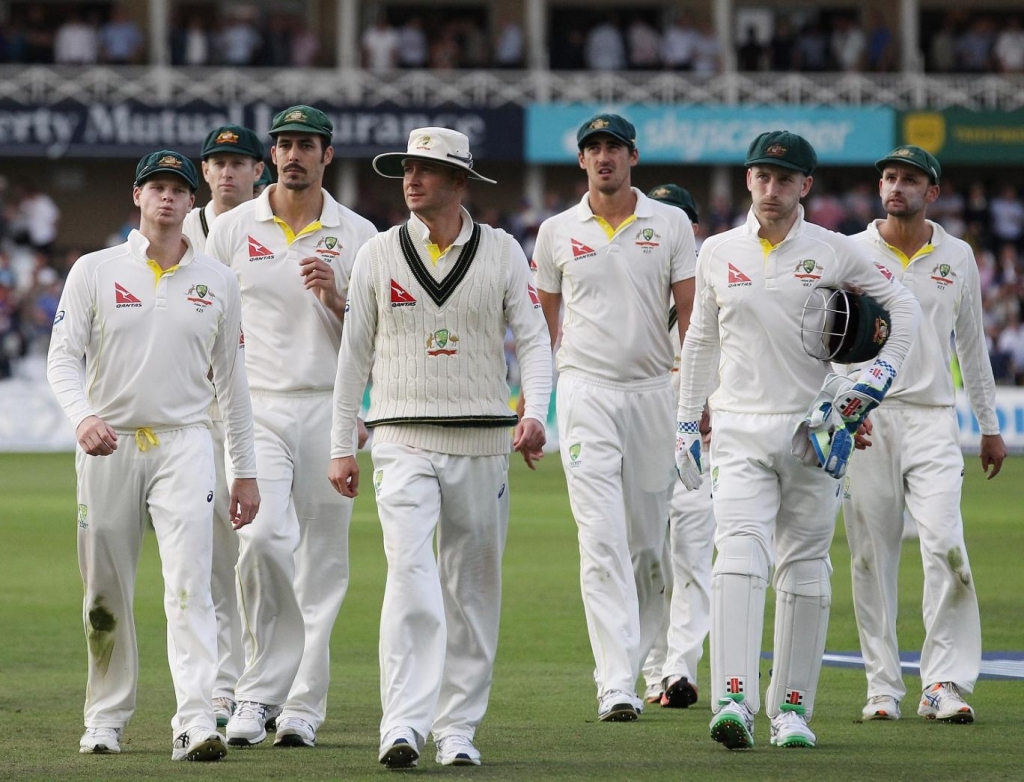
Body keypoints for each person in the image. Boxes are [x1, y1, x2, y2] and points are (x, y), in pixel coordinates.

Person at [673, 130, 921, 750]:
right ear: (748, 180)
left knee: (805, 569)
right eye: (762, 177)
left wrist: (869, 386)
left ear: (806, 185)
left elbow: (905, 314)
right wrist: (685, 421)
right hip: (737, 428)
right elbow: (700, 340)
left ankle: (792, 712)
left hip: (814, 431)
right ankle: (733, 699)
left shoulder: (835, 251)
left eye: (786, 180)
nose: (772, 189)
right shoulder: (718, 252)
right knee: (737, 554)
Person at [328, 126, 551, 768]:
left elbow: (534, 342)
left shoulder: (505, 250)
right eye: (406, 168)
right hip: (400, 436)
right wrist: (343, 443)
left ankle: (458, 728)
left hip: (483, 441)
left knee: (474, 591)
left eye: (426, 169)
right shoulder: (375, 253)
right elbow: (354, 356)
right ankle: (401, 724)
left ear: (459, 182)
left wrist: (534, 413)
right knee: (411, 576)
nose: (411, 179)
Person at [46, 149, 259, 761]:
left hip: (186, 443)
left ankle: (195, 721)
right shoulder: (94, 269)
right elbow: (63, 357)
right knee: (103, 594)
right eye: (155, 187)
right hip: (109, 442)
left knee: (191, 583)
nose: (166, 197)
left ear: (193, 203)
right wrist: (83, 416)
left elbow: (234, 384)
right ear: (136, 197)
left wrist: (243, 472)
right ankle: (106, 717)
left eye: (177, 189)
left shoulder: (217, 279)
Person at [205, 105, 377, 749]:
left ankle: (303, 705)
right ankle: (257, 692)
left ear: (327, 155)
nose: (294, 155)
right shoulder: (230, 230)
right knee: (263, 542)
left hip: (331, 409)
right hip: (255, 410)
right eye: (285, 145)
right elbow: (210, 326)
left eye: (307, 145)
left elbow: (382, 336)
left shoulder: (359, 234)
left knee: (323, 566)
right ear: (271, 156)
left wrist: (338, 297)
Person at [531, 114, 697, 722]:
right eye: (593, 149)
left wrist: (694, 398)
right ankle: (615, 682)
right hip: (585, 392)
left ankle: (646, 663)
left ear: (633, 157)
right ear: (581, 161)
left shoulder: (671, 223)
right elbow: (540, 331)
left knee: (650, 547)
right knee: (600, 540)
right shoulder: (555, 232)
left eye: (614, 148)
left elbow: (693, 321)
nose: (603, 158)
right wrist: (531, 401)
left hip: (655, 391)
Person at [846, 145, 1007, 724]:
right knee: (870, 559)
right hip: (869, 421)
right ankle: (882, 687)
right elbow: (833, 338)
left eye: (909, 179)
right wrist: (846, 409)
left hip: (934, 420)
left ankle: (942, 682)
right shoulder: (854, 251)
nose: (895, 186)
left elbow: (972, 345)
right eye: (888, 176)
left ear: (932, 192)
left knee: (947, 546)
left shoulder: (957, 255)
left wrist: (989, 427)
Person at [181, 123, 264, 729]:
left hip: (265, 407)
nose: (228, 172)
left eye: (239, 162)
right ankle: (222, 687)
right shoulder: (179, 228)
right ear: (203, 172)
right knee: (209, 561)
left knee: (262, 554)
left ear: (257, 170)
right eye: (218, 162)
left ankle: (267, 683)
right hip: (196, 414)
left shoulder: (268, 224)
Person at [639, 185, 715, 710]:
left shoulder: (714, 285)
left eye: (681, 223)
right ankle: (650, 671)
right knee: (646, 555)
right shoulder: (632, 285)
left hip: (700, 429)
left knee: (691, 553)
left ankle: (680, 669)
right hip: (642, 422)